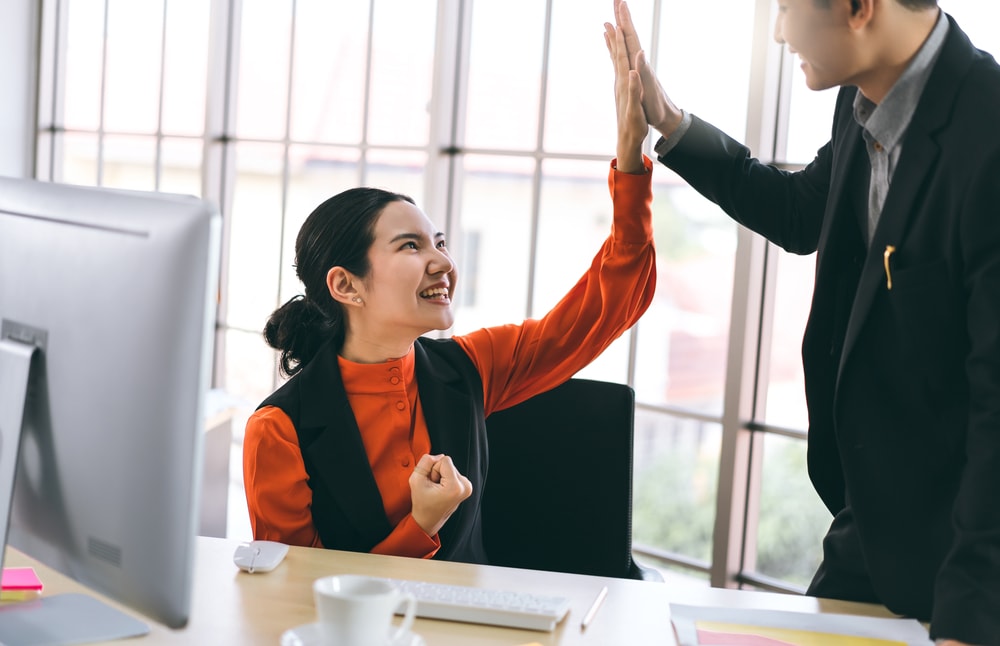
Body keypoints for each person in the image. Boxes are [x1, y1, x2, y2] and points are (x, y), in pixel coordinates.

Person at [607, 0, 1000, 643]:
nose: (780, 29)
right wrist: (668, 120)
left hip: (967, 550)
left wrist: (972, 615)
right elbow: (798, 213)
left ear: (857, 8)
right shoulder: (863, 101)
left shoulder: (988, 135)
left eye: (786, 7)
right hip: (870, 523)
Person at [242, 30, 655, 565]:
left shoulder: (472, 365)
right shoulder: (278, 431)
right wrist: (422, 525)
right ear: (346, 285)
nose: (442, 262)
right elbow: (296, 596)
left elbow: (606, 306)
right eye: (410, 246)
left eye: (439, 243)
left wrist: (629, 158)